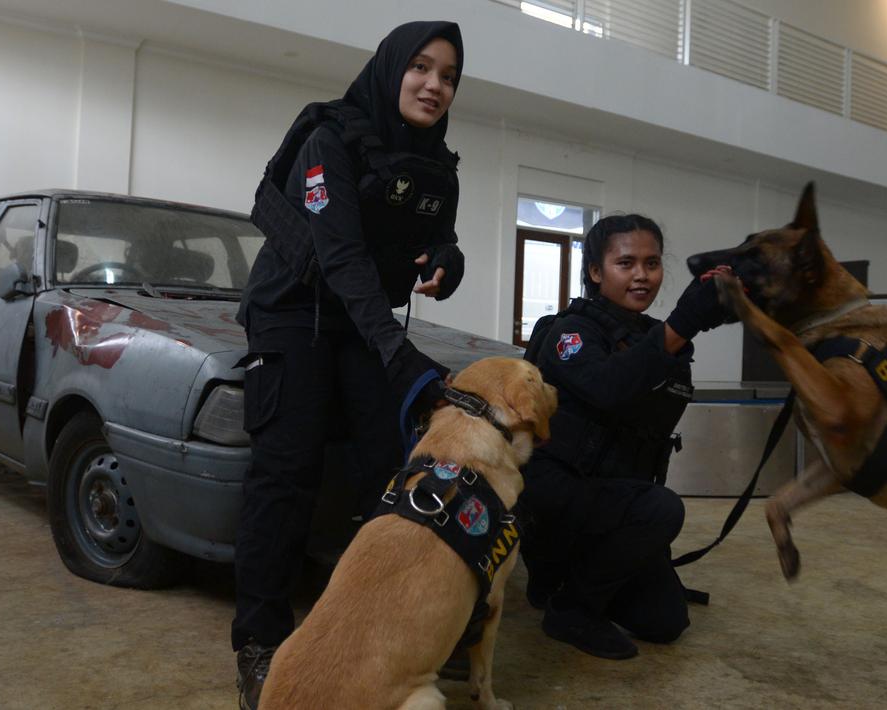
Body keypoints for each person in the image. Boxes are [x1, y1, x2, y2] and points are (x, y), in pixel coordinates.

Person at [231, 21, 467, 710]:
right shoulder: (329, 141)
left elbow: (441, 237)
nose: (434, 85)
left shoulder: (437, 165)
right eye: (420, 67)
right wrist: (397, 353)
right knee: (287, 472)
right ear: (391, 69)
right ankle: (260, 645)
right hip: (292, 313)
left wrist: (448, 262)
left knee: (390, 473)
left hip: (359, 323)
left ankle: (379, 630)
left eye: (448, 76)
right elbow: (339, 257)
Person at [519, 214, 727, 660]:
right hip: (561, 500)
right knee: (663, 508)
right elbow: (609, 387)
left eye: (652, 263)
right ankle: (569, 608)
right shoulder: (570, 333)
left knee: (665, 622)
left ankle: (578, 583)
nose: (641, 275)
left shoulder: (651, 336)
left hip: (613, 505)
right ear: (596, 272)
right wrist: (683, 323)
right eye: (626, 263)